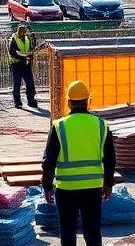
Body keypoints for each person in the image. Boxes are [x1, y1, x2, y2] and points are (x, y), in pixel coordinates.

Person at [42, 81, 116, 246]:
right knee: (93, 233)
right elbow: (110, 158)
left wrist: (46, 186)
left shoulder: (59, 126)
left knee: (68, 235)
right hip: (92, 188)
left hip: (66, 189)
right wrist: (108, 183)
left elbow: (49, 161)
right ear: (88, 100)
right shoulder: (101, 125)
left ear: (68, 102)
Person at [10, 24, 38, 110]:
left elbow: (29, 48)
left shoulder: (27, 38)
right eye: (21, 31)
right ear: (18, 31)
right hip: (16, 64)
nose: (23, 33)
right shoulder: (13, 40)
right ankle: (17, 102)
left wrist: (31, 53)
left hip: (26, 63)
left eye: (24, 31)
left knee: (30, 82)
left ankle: (31, 100)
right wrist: (23, 57)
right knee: (17, 83)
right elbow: (12, 52)